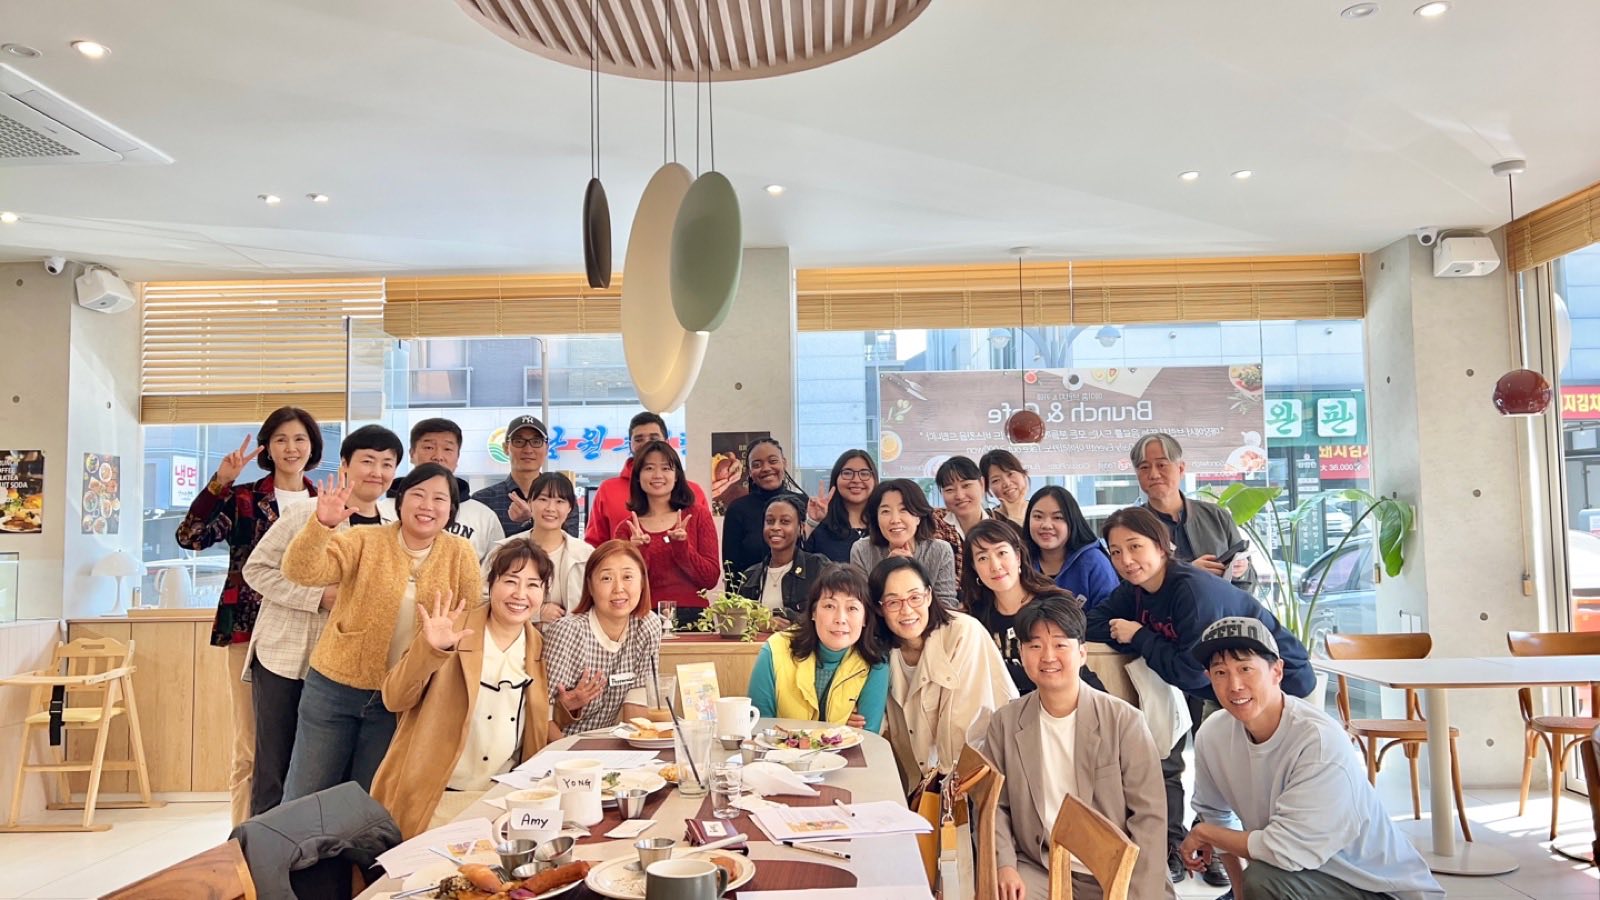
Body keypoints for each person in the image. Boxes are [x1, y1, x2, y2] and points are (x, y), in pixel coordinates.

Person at [1087, 505, 1312, 888]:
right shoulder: (1135, 590)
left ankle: (1255, 862)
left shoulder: (1190, 590)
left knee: (1248, 776)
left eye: (1135, 546)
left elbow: (1188, 670)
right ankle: (1210, 848)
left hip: (1276, 683)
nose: (1126, 560)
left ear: (1162, 546)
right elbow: (1093, 622)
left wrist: (1139, 636)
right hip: (1219, 685)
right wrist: (1136, 634)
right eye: (1116, 551)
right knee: (1213, 767)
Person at [1182, 618, 1444, 900]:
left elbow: (1286, 850)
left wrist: (1207, 833)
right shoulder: (1213, 734)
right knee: (1254, 885)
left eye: (1246, 669)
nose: (1234, 685)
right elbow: (1216, 815)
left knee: (1263, 881)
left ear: (1277, 671)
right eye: (1221, 672)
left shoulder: (1317, 742)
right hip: (1303, 876)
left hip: (1379, 889)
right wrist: (1238, 892)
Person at [279, 462, 483, 800]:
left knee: (370, 799)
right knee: (305, 793)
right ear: (400, 501)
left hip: (401, 698)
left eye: (439, 499)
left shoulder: (460, 553)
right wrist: (322, 525)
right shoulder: (364, 539)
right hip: (335, 688)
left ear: (451, 510)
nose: (427, 506)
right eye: (418, 495)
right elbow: (300, 571)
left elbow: (470, 617)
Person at [242, 423, 400, 816]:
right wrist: (317, 596)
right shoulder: (308, 512)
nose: (377, 472)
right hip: (287, 658)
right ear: (344, 465)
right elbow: (256, 570)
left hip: (344, 674)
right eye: (367, 461)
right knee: (277, 769)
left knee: (332, 776)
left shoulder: (392, 526)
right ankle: (260, 849)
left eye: (387, 464)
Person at [175, 406, 321, 826]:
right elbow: (190, 537)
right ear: (267, 448)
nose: (291, 448)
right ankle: (245, 840)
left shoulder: (324, 501)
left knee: (305, 746)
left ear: (313, 446)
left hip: (310, 632)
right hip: (249, 630)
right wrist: (220, 482)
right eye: (281, 439)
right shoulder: (243, 498)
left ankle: (297, 838)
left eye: (299, 439)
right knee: (251, 746)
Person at [986, 597, 1173, 900]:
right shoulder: (1005, 723)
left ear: (1082, 653)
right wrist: (1004, 864)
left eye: (1060, 645)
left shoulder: (1124, 721)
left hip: (1119, 873)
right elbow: (996, 806)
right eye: (1035, 646)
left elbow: (1149, 817)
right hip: (1042, 867)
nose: (1048, 656)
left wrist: (1137, 893)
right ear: (1021, 653)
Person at [371, 540, 561, 838]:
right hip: (437, 800)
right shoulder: (453, 630)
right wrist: (429, 651)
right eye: (510, 581)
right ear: (491, 584)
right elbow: (394, 698)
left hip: (502, 799)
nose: (520, 594)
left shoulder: (538, 645)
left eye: (533, 585)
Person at [870, 556, 1015, 788]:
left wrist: (944, 792)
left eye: (915, 597)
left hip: (971, 781)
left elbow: (964, 729)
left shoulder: (963, 633)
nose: (907, 610)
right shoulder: (880, 650)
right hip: (918, 784)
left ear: (928, 595)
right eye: (893, 602)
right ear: (879, 608)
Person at [961, 518, 1102, 694]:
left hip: (1067, 696)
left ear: (1018, 557)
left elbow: (1071, 665)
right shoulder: (974, 617)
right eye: (982, 558)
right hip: (1006, 707)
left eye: (1001, 553)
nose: (995, 566)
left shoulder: (1052, 604)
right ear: (974, 568)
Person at [541, 541, 664, 735]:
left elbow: (636, 705)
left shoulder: (647, 625)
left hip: (607, 744)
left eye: (627, 577)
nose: (618, 588)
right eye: (606, 578)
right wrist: (564, 751)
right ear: (590, 586)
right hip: (563, 744)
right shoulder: (567, 632)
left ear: (642, 582)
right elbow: (541, 716)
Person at [748, 564, 889, 731]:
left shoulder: (875, 661)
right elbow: (760, 727)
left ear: (865, 618)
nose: (840, 619)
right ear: (813, 612)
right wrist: (836, 728)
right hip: (779, 748)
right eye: (829, 606)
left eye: (852, 608)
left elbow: (867, 736)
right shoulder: (775, 650)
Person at [614, 439, 720, 626]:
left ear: (677, 475)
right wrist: (637, 552)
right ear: (638, 476)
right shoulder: (627, 528)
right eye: (649, 468)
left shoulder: (697, 516)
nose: (657, 475)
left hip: (695, 619)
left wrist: (682, 548)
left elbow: (710, 579)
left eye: (666, 468)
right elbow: (622, 587)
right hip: (643, 619)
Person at [1131, 432, 1255, 591]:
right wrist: (1189, 572)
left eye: (1161, 465)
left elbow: (1249, 581)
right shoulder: (1132, 526)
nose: (1154, 474)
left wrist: (1242, 571)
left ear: (1181, 469)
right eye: (1144, 467)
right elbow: (1127, 586)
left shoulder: (1217, 516)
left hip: (1219, 606)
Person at [383, 418, 504, 562]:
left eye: (447, 449)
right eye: (429, 448)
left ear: (458, 456)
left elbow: (495, 570)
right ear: (412, 454)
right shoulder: (382, 511)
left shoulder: (483, 516)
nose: (438, 457)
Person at [585, 412, 710, 547]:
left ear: (666, 442)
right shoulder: (608, 490)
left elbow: (707, 546)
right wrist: (628, 550)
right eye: (639, 439)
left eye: (654, 438)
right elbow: (594, 546)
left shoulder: (693, 491)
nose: (647, 444)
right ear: (630, 444)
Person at [485, 473, 592, 624]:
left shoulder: (586, 555)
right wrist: (536, 613)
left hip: (573, 638)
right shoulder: (504, 550)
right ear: (530, 502)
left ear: (570, 508)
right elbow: (482, 599)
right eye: (543, 499)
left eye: (560, 501)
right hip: (516, 636)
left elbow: (596, 606)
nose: (550, 508)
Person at [849, 479, 958, 608]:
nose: (895, 520)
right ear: (876, 518)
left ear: (918, 517)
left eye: (904, 510)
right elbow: (861, 606)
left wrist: (913, 571)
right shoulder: (861, 550)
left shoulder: (940, 550)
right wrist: (886, 571)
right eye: (885, 511)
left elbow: (947, 607)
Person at [472, 414, 579, 539]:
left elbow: (568, 543)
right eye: (519, 441)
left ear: (546, 448)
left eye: (536, 442)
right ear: (506, 448)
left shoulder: (563, 497)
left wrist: (531, 520)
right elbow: (475, 547)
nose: (528, 450)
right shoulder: (482, 500)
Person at [738, 494, 828, 628]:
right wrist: (758, 624)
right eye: (770, 521)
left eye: (785, 521)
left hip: (802, 642)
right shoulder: (750, 576)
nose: (775, 527)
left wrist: (793, 622)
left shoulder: (818, 566)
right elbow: (738, 625)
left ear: (800, 528)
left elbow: (830, 615)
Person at [721, 437, 805, 577]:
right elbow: (731, 568)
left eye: (773, 461)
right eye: (757, 464)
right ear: (749, 472)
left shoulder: (803, 504)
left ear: (784, 463)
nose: (766, 468)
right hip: (751, 590)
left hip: (801, 589)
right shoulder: (737, 510)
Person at [1024, 486, 1117, 610]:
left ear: (1072, 521)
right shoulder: (1020, 561)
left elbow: (1110, 613)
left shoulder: (1094, 562)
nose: (1046, 525)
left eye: (1057, 517)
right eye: (1038, 517)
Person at [803, 449, 877, 563]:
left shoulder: (883, 527)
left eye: (864, 473)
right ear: (836, 478)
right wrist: (811, 523)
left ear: (874, 479)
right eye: (847, 473)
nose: (856, 480)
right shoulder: (820, 527)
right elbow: (796, 561)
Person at [935, 455, 992, 539]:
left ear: (982, 484)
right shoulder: (933, 524)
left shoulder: (999, 528)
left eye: (966, 485)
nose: (960, 496)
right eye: (950, 489)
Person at [979, 449, 1031, 528]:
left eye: (1010, 474)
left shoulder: (1042, 509)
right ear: (988, 489)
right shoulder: (988, 520)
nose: (1007, 483)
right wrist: (1015, 517)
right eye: (996, 480)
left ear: (1023, 475)